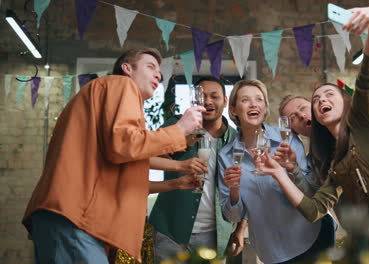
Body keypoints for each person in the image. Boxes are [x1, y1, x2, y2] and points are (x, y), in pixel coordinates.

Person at [256, 7, 369, 264]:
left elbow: (367, 78)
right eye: (316, 99)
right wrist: (278, 172)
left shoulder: (362, 124)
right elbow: (314, 209)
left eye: (329, 95)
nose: (321, 101)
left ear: (346, 102)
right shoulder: (333, 163)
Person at [22, 48, 205, 264]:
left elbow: (126, 163)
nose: (159, 74)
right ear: (127, 69)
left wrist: (178, 176)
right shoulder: (121, 85)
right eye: (150, 67)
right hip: (77, 218)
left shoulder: (105, 97)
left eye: (159, 70)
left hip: (69, 216)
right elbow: (125, 145)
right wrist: (180, 129)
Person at [218, 79, 335, 264]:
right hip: (272, 252)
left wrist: (292, 170)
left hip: (312, 238)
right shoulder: (225, 157)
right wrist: (234, 189)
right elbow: (234, 216)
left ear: (265, 108)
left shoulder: (286, 141)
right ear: (233, 110)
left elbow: (311, 195)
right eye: (245, 100)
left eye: (259, 99)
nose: (254, 104)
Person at [148, 76, 246, 261]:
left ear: (225, 101)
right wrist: (189, 136)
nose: (208, 101)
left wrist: (240, 229)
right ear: (194, 101)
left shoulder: (236, 140)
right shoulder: (175, 126)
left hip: (214, 234)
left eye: (214, 96)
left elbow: (247, 188)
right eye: (202, 97)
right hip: (171, 230)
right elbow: (150, 155)